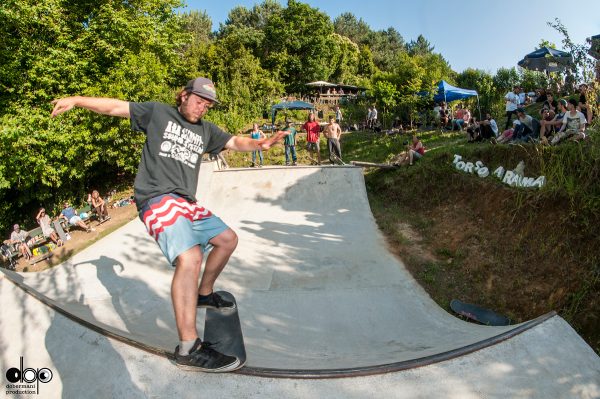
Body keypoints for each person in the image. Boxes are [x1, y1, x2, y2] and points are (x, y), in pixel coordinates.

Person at [51, 77, 288, 373]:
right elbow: (115, 107)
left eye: (208, 104)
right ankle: (188, 348)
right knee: (191, 257)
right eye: (199, 100)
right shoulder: (158, 113)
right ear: (185, 95)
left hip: (187, 204)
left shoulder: (206, 130)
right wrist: (76, 99)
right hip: (156, 198)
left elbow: (234, 142)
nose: (203, 108)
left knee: (227, 240)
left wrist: (260, 143)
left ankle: (204, 293)